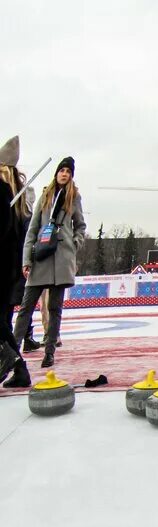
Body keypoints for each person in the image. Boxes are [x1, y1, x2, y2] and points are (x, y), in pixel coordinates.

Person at [14, 156, 86, 371]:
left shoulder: (74, 197)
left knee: (55, 309)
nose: (64, 174)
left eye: (68, 172)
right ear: (56, 173)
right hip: (42, 256)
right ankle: (12, 349)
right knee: (26, 307)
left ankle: (49, 352)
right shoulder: (46, 195)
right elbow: (33, 229)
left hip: (62, 258)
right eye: (62, 170)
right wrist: (26, 259)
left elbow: (81, 225)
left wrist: (74, 244)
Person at [0, 135, 29, 386]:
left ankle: (10, 361)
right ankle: (20, 369)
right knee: (2, 323)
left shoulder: (11, 196)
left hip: (6, 268)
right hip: (11, 270)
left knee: (1, 323)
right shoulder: (16, 198)